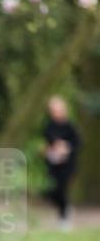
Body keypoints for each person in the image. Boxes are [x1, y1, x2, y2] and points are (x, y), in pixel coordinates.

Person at [42, 96, 80, 230]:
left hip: (67, 165)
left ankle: (64, 217)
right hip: (53, 164)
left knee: (62, 190)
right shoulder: (48, 126)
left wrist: (66, 147)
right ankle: (65, 209)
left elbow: (78, 143)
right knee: (51, 192)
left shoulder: (70, 126)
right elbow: (45, 143)